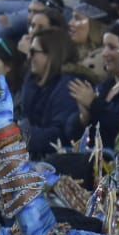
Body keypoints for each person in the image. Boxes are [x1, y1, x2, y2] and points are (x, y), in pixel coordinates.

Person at [17, 29, 85, 158]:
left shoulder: (69, 86)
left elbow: (58, 136)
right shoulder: (36, 83)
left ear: (52, 54)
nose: (29, 56)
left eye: (33, 52)